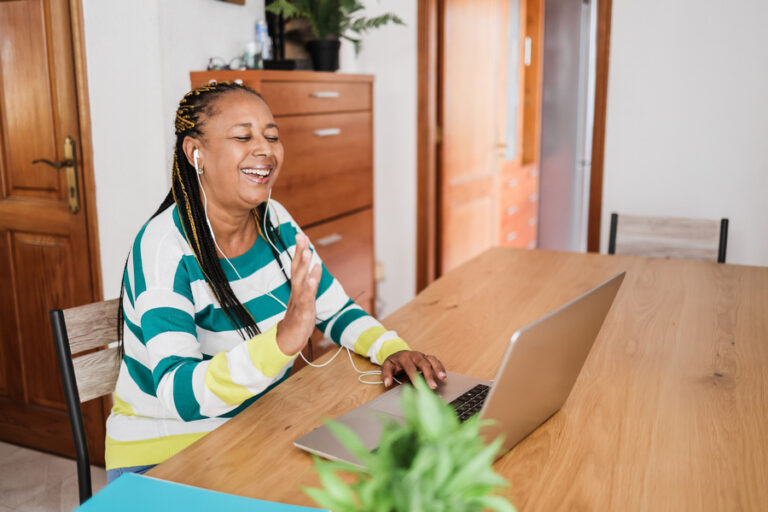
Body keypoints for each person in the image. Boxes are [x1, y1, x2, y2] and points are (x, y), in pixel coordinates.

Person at [106, 81, 447, 482]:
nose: (265, 149)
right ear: (196, 152)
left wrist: (392, 349)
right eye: (243, 137)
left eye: (271, 136)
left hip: (257, 427)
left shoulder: (275, 220)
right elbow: (179, 394)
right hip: (166, 454)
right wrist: (282, 341)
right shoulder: (163, 247)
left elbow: (335, 309)